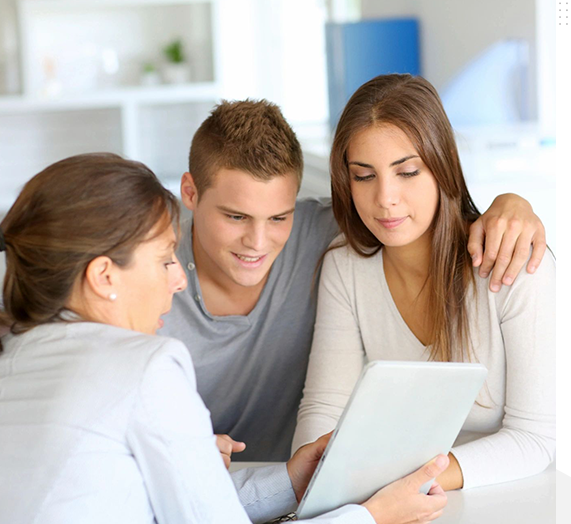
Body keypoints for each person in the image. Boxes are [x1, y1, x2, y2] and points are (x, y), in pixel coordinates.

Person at [0, 152, 450, 524]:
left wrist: (288, 481)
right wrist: (371, 520)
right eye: (164, 260)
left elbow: (175, 519)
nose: (178, 280)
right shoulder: (143, 366)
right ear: (104, 276)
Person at [159, 98, 549, 461]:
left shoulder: (331, 233)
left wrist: (513, 203)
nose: (258, 242)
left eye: (279, 217)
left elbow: (413, 212)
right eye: (235, 217)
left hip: (290, 485)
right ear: (190, 193)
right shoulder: (145, 276)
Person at [291, 74, 557, 490]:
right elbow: (326, 407)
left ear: (442, 167)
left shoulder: (511, 263)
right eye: (364, 176)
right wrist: (310, 484)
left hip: (516, 504)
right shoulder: (346, 265)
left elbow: (535, 439)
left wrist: (405, 483)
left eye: (408, 172)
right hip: (403, 508)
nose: (386, 199)